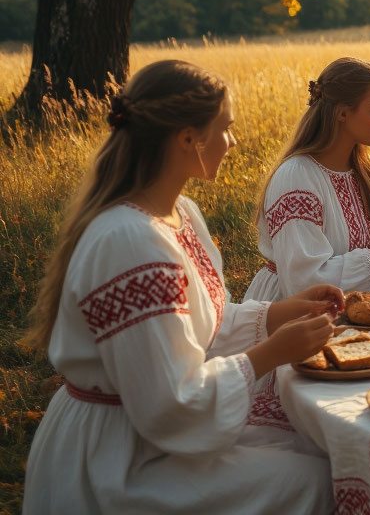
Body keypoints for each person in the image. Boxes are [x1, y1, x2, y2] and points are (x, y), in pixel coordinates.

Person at [23, 60, 338, 513]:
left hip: (153, 434)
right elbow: (169, 404)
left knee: (312, 449)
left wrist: (278, 313)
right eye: (225, 128)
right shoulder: (131, 240)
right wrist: (271, 353)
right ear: (188, 138)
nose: (233, 141)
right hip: (120, 457)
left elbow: (191, 328)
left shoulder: (181, 213)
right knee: (313, 481)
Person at [244, 57, 370, 302]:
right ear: (342, 113)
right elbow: (302, 280)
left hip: (360, 302)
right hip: (293, 310)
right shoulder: (297, 177)